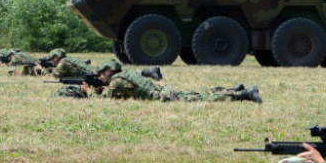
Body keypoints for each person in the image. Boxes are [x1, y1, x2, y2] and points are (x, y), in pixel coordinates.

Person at [53, 60, 262, 103]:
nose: (100, 77)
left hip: (164, 97)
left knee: (201, 98)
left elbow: (107, 98)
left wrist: (89, 92)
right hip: (164, 91)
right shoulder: (126, 74)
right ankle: (233, 90)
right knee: (198, 93)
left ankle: (243, 94)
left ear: (109, 72)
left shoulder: (116, 82)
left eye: (102, 74)